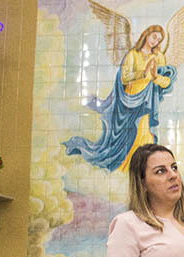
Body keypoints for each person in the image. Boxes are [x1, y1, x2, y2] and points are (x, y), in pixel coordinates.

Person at [63, 25, 176, 173]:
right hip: (128, 101)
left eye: (159, 40)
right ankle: (125, 170)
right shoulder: (133, 55)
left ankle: (141, 173)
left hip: (146, 103)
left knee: (144, 135)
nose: (155, 41)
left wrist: (155, 77)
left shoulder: (159, 57)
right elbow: (124, 77)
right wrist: (143, 73)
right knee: (126, 137)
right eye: (154, 36)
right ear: (146, 35)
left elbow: (167, 82)